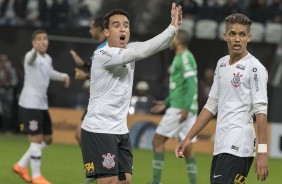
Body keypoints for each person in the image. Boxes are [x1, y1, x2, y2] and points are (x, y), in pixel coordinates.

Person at [80, 3, 182, 184]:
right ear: (106, 32)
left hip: (120, 129)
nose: (122, 29)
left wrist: (173, 28)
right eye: (116, 25)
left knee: (125, 181)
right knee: (109, 181)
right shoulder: (103, 54)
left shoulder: (129, 49)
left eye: (126, 25)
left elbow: (160, 45)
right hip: (99, 129)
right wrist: (171, 29)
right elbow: (144, 51)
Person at [175, 13, 269, 184]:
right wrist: (188, 138)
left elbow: (261, 111)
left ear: (249, 37)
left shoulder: (255, 68)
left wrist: (262, 151)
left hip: (239, 145)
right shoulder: (222, 64)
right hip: (221, 144)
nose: (237, 39)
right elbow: (211, 105)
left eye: (242, 34)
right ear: (225, 36)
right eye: (233, 33)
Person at [12, 29, 70, 184]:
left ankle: (21, 165)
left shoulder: (48, 58)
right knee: (36, 138)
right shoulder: (30, 57)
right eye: (38, 39)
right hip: (29, 104)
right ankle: (36, 176)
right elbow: (31, 58)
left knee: (48, 138)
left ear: (48, 41)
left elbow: (49, 72)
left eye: (44, 39)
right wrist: (34, 51)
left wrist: (63, 76)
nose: (42, 41)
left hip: (42, 105)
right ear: (33, 43)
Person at [150, 29, 198, 184]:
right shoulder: (181, 57)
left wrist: (185, 107)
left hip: (180, 109)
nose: (171, 40)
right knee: (187, 146)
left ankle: (156, 182)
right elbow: (179, 87)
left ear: (178, 40)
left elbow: (191, 85)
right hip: (184, 106)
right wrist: (165, 102)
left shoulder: (184, 57)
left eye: (173, 38)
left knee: (157, 140)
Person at [69, 16, 107, 145]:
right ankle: (95, 165)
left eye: (91, 28)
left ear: (98, 29)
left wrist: (84, 76)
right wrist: (83, 64)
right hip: (98, 99)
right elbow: (94, 68)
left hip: (104, 99)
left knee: (82, 134)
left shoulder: (105, 48)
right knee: (82, 135)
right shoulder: (102, 46)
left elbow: (104, 75)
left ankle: (96, 165)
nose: (90, 31)